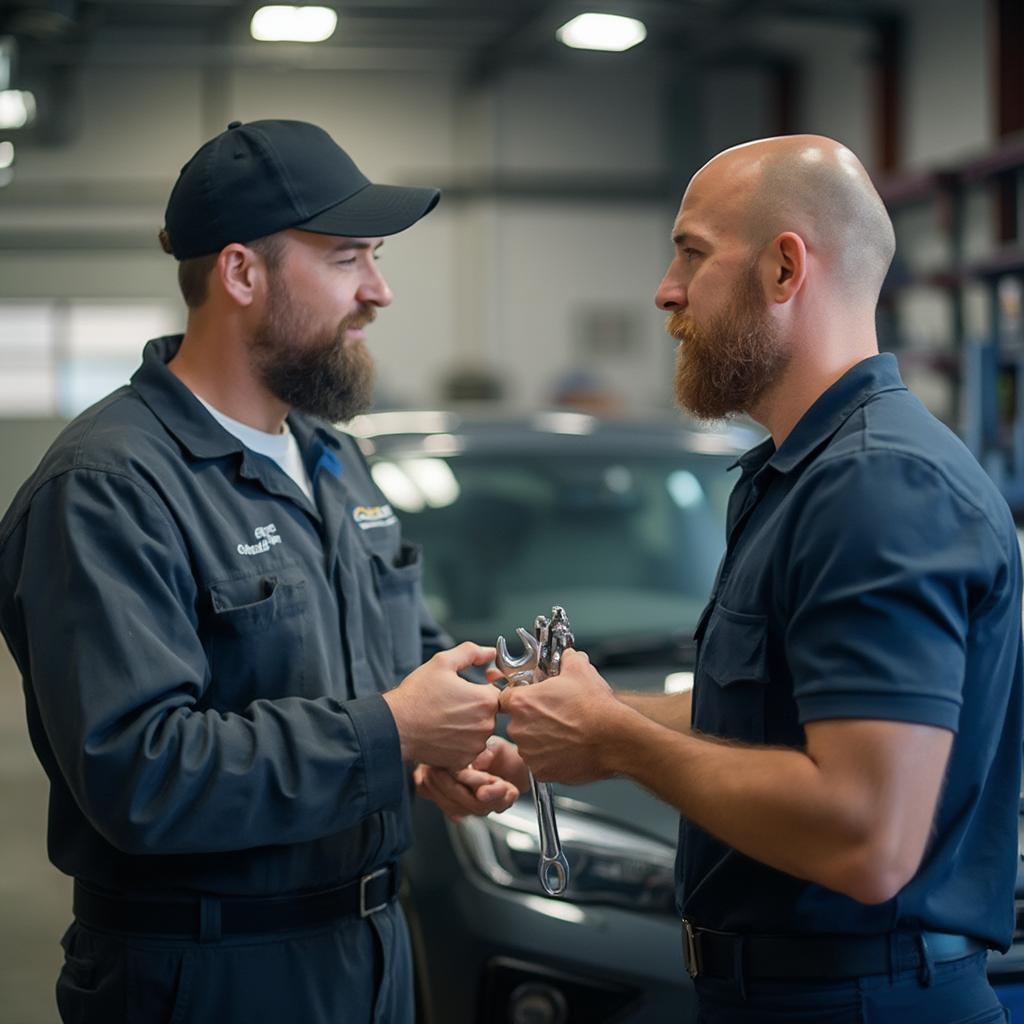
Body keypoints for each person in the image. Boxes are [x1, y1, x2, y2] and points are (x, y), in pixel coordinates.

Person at [0, 119, 529, 1024]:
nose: (380, 291)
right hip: (209, 971)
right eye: (348, 258)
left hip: (371, 950)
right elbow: (141, 773)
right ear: (242, 273)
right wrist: (391, 735)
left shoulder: (333, 460)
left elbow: (394, 665)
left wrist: (444, 746)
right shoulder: (109, 486)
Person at [499, 135, 1023, 1023]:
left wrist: (620, 746)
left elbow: (866, 836)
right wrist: (579, 718)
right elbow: (756, 713)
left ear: (785, 269)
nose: (666, 289)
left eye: (692, 253)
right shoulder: (800, 474)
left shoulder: (876, 486)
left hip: (860, 1000)